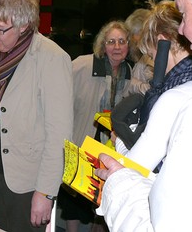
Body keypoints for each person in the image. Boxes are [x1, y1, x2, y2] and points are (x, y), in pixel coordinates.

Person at [95, 0, 192, 230]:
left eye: (184, 13)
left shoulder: (186, 100)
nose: (183, 30)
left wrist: (117, 181)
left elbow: (166, 222)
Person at [0, 0, 73, 232]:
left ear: (24, 25)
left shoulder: (51, 58)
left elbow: (59, 136)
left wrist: (45, 192)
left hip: (28, 181)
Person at [112, 0, 192, 166]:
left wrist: (120, 141)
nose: (154, 62)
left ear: (162, 42)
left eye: (151, 54)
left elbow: (138, 165)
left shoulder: (174, 94)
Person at [58, 20, 132, 232]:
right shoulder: (83, 65)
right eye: (111, 41)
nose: (116, 47)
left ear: (128, 45)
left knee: (101, 196)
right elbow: (61, 96)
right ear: (102, 44)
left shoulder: (131, 73)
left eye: (121, 41)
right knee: (73, 196)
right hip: (82, 137)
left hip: (110, 145)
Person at [123, 8, 153, 97]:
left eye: (133, 33)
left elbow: (154, 89)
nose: (131, 39)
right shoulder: (144, 55)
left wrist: (129, 83)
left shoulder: (151, 57)